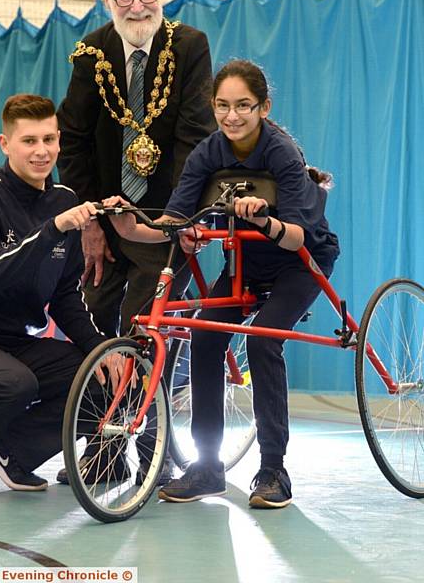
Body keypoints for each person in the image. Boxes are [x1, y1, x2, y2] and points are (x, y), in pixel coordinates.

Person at [103, 59, 340, 509]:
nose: (232, 116)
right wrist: (128, 224)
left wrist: (265, 220)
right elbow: (173, 223)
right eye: (223, 106)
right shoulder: (208, 152)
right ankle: (207, 467)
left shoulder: (282, 153)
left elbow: (296, 238)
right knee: (204, 334)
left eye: (244, 106)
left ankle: (273, 470)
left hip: (299, 262)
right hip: (244, 264)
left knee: (263, 341)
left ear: (264, 108)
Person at [55, 0, 216, 485]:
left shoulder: (188, 45)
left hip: (165, 218)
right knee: (99, 328)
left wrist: (176, 219)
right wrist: (92, 222)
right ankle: (103, 454)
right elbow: (72, 139)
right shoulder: (91, 53)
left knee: (150, 331)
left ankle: (155, 453)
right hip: (108, 213)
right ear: (107, 2)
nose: (136, 5)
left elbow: (195, 135)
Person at [0, 94, 119, 498]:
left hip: (16, 342)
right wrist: (51, 230)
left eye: (49, 140)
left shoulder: (63, 200)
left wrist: (100, 349)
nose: (41, 151)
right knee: (14, 383)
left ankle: (12, 452)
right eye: (29, 141)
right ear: (5, 143)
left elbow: (67, 295)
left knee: (97, 379)